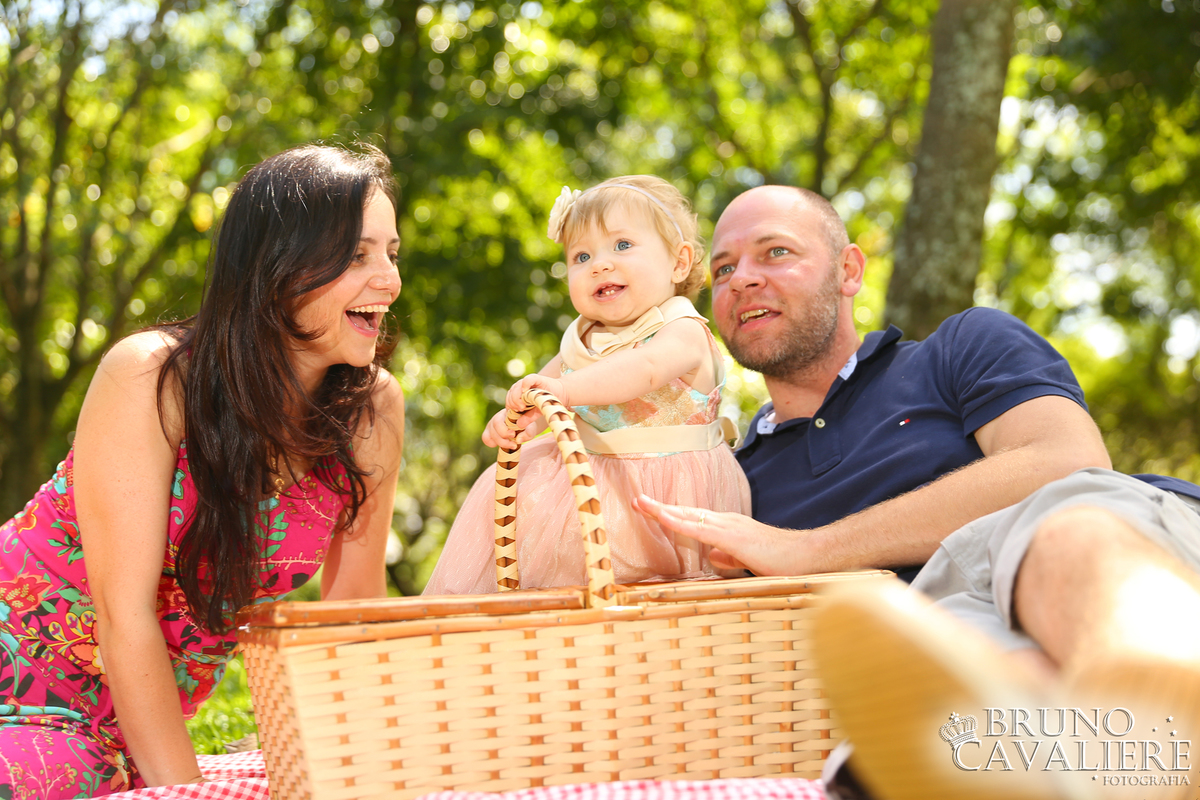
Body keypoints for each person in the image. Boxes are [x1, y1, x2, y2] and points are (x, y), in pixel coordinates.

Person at [634, 184, 1200, 797]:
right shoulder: (733, 487)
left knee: (1068, 525)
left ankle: (1161, 696)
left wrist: (808, 550)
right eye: (723, 269)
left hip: (1115, 558)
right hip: (945, 632)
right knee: (941, 700)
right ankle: (1117, 766)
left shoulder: (961, 347)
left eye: (774, 252)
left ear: (849, 271)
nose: (742, 279)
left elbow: (1064, 460)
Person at [0, 144, 405, 797]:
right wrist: (186, 793)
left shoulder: (373, 412)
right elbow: (122, 612)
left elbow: (352, 614)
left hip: (120, 739)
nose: (389, 280)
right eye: (357, 255)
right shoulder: (153, 377)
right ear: (278, 265)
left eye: (391, 253)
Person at [424, 176, 749, 595]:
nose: (600, 264)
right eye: (581, 255)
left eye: (622, 245)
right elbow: (544, 393)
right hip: (586, 491)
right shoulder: (582, 337)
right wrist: (520, 420)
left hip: (671, 488)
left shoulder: (682, 329)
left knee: (663, 595)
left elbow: (645, 368)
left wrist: (565, 391)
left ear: (679, 262)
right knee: (518, 498)